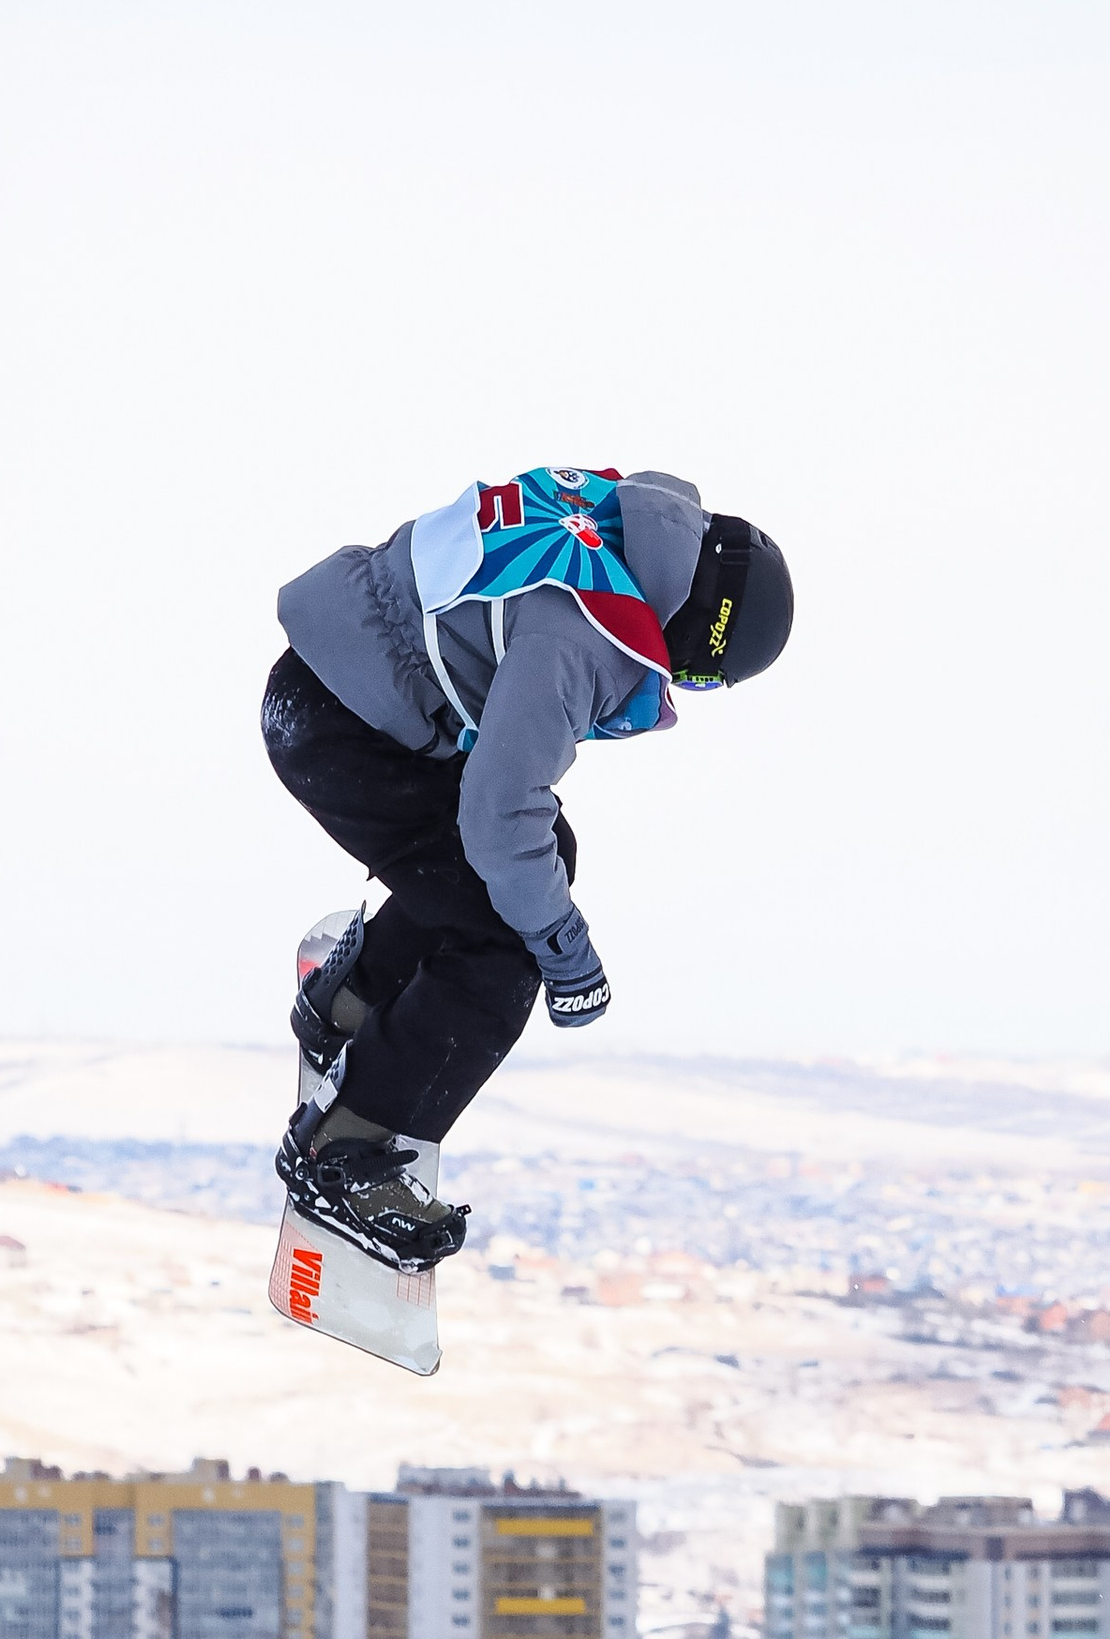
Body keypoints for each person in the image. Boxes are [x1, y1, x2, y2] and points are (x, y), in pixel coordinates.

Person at [263, 464, 793, 1268]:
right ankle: (345, 1151)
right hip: (343, 731)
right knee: (506, 948)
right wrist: (567, 957)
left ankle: (356, 999)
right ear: (699, 635)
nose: (678, 684)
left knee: (537, 861)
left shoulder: (622, 525)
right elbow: (499, 814)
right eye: (699, 674)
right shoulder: (585, 639)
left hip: (328, 678)